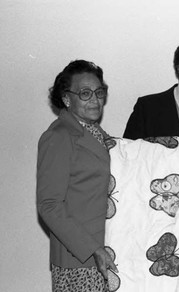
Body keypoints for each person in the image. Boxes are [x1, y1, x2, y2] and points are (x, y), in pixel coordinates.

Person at [37, 60, 118, 291]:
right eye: (85, 93)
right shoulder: (59, 136)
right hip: (79, 259)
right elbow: (49, 205)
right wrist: (92, 248)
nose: (95, 99)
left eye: (99, 92)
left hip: (105, 251)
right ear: (66, 98)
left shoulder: (96, 132)